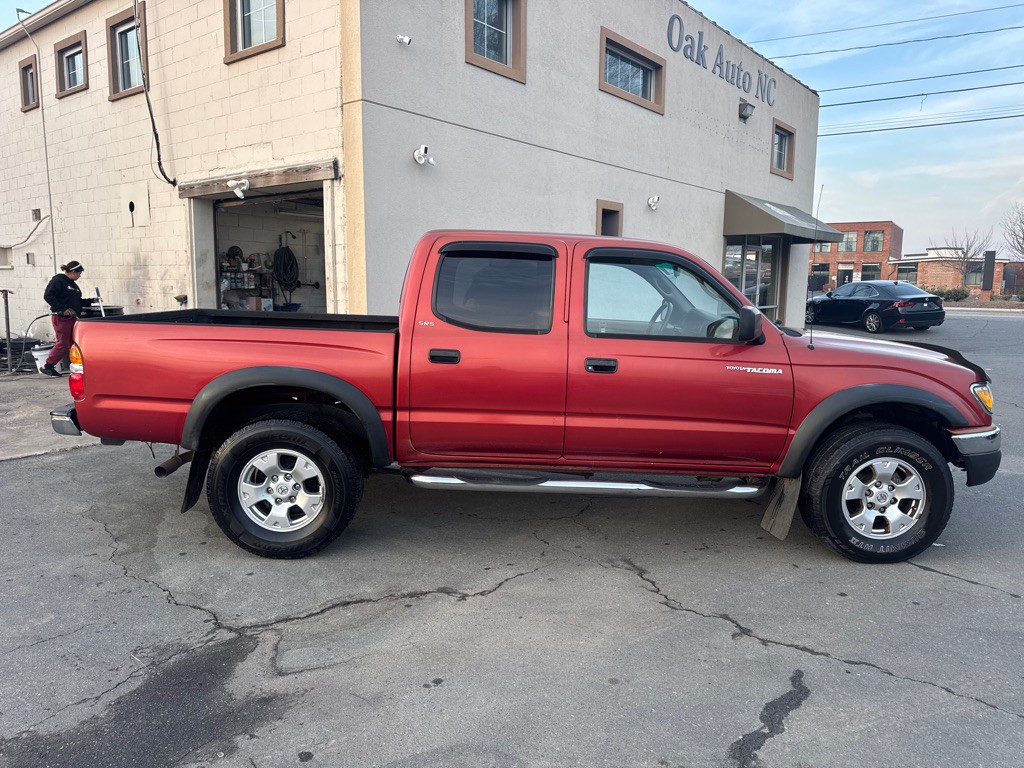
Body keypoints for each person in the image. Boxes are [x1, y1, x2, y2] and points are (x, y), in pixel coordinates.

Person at [41, 260, 92, 377]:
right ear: (73, 272)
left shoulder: (73, 285)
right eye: (79, 273)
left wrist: (91, 301)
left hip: (72, 318)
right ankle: (48, 365)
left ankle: (75, 365)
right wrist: (62, 309)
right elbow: (48, 296)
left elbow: (77, 302)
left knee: (72, 343)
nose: (79, 276)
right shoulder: (58, 281)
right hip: (61, 318)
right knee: (63, 343)